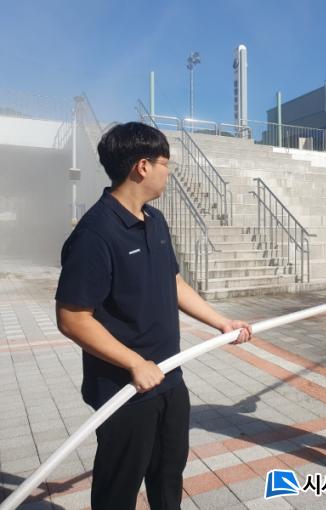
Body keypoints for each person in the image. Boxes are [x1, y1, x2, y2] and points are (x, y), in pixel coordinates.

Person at [55, 122, 252, 510]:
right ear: (142, 166)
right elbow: (72, 317)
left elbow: (173, 282)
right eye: (166, 163)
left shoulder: (155, 221)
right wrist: (134, 363)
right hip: (125, 389)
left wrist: (221, 322)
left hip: (169, 379)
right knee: (118, 489)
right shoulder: (96, 233)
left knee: (168, 477)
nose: (169, 171)